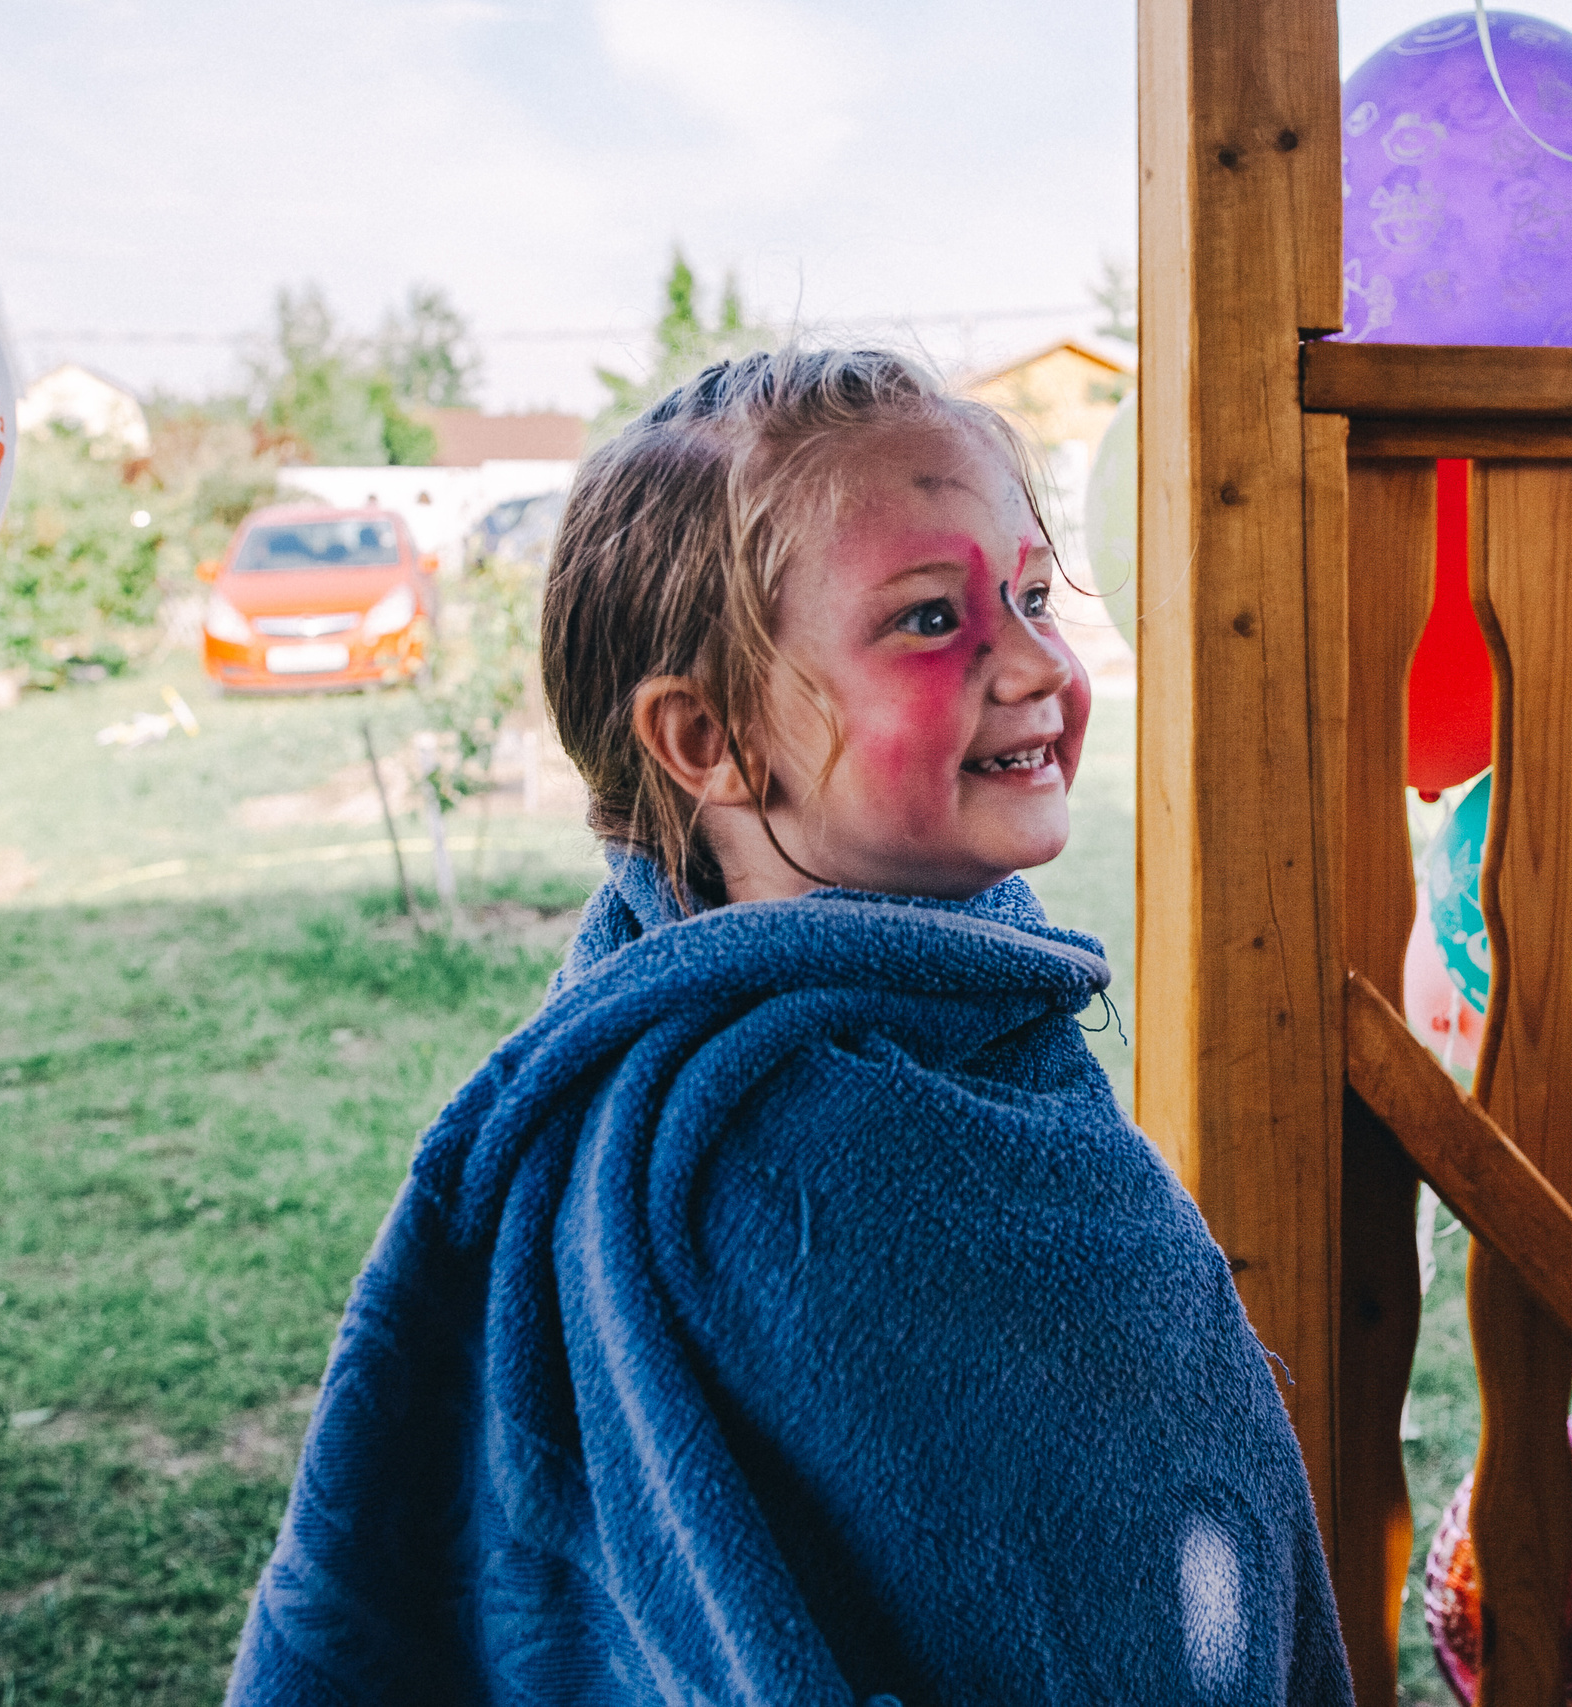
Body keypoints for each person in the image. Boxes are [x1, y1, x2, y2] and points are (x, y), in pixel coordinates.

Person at [225, 348, 1353, 1706]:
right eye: (931, 619)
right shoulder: (779, 1157)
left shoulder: (953, 1005)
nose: (1038, 663)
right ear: (709, 740)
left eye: (1035, 595)